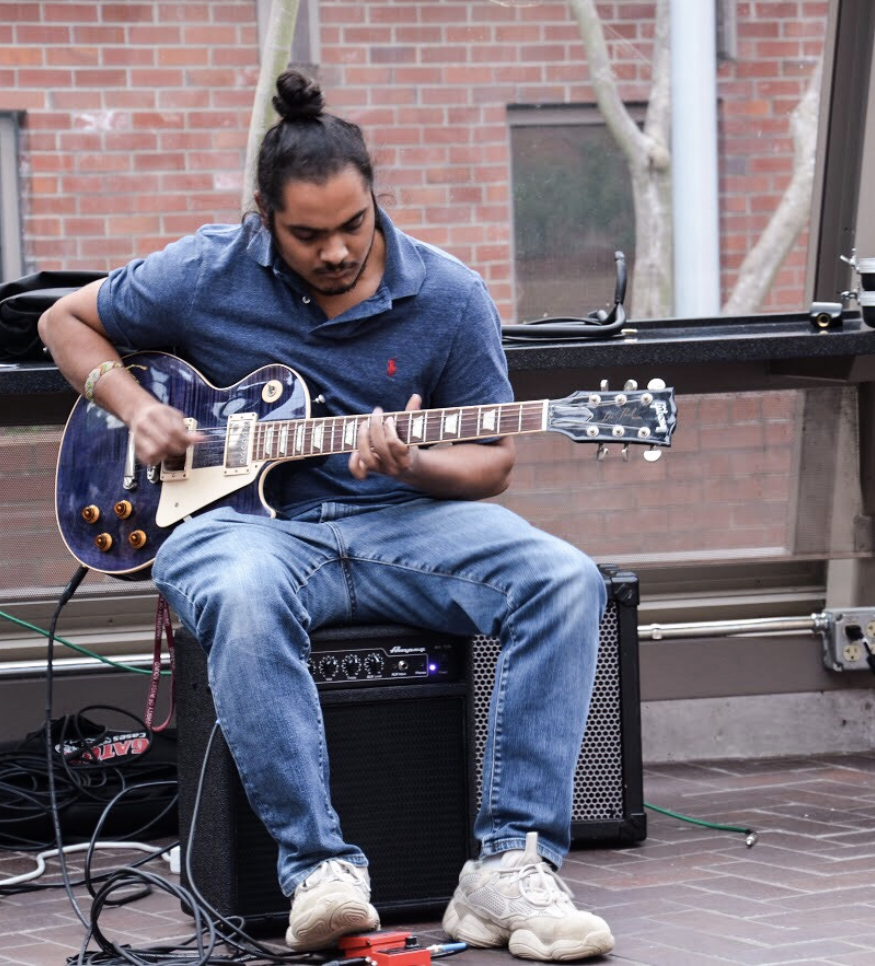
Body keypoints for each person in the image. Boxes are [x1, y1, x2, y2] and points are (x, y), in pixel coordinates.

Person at [38, 70, 615, 963]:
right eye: (309, 235)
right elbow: (64, 322)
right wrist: (133, 407)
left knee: (565, 580)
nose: (338, 250)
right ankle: (319, 871)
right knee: (239, 593)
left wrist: (415, 461)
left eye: (354, 224)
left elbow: (493, 461)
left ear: (374, 198)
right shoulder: (205, 269)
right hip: (243, 529)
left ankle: (508, 866)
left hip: (399, 522)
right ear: (264, 215)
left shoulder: (449, 296)